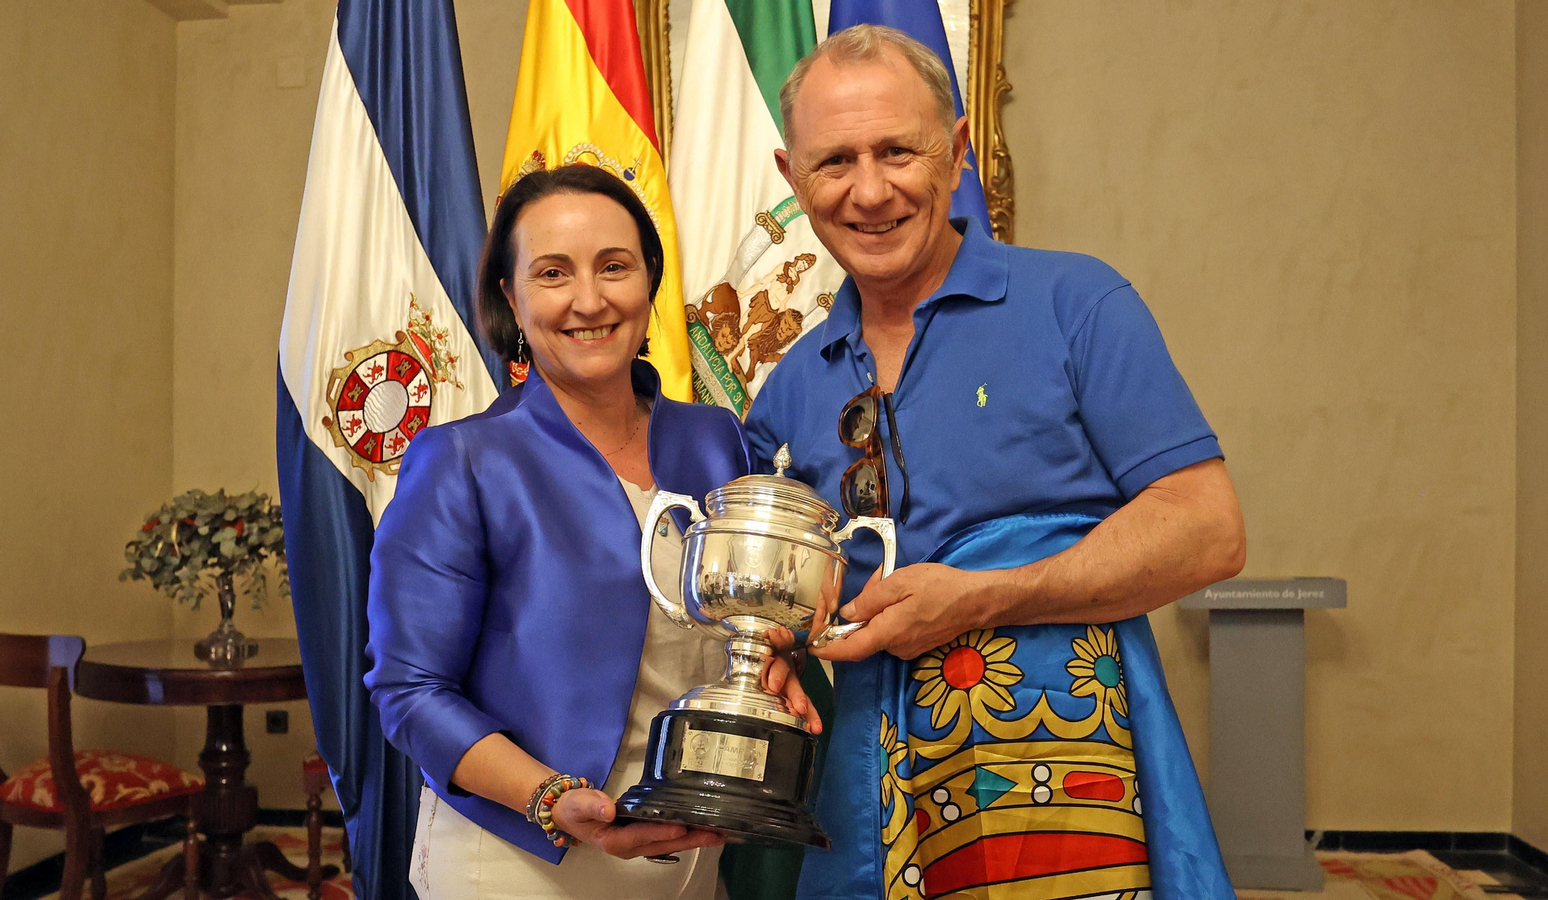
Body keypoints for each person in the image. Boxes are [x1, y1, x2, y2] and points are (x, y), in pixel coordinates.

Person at [748, 25, 1247, 900]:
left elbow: (1209, 532)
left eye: (899, 151)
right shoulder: (787, 388)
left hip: (1064, 787)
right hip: (874, 798)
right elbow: (800, 588)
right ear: (793, 179)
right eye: (835, 163)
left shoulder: (1078, 302)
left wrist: (986, 596)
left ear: (959, 151)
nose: (870, 191)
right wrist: (781, 642)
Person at [365, 164, 820, 900]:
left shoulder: (720, 442)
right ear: (510, 297)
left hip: (693, 858)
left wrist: (775, 658)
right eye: (552, 272)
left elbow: (751, 616)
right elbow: (409, 690)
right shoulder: (461, 461)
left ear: (649, 283)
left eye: (615, 267)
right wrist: (553, 801)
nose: (589, 299)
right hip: (521, 858)